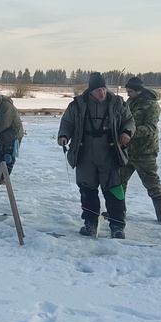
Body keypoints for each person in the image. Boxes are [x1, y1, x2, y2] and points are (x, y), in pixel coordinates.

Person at [57, 72, 135, 239]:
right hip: (85, 153)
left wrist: (127, 133)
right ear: (91, 90)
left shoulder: (117, 103)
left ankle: (117, 226)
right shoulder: (77, 104)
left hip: (110, 153)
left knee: (114, 190)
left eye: (103, 89)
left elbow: (129, 121)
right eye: (98, 89)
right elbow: (67, 122)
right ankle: (90, 224)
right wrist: (63, 136)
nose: (102, 93)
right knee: (87, 191)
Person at [120, 77, 161, 225]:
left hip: (145, 152)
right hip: (127, 150)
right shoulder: (130, 102)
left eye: (130, 91)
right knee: (119, 181)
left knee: (152, 184)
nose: (128, 94)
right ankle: (118, 211)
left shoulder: (151, 105)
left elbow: (151, 127)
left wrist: (129, 133)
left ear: (138, 90)